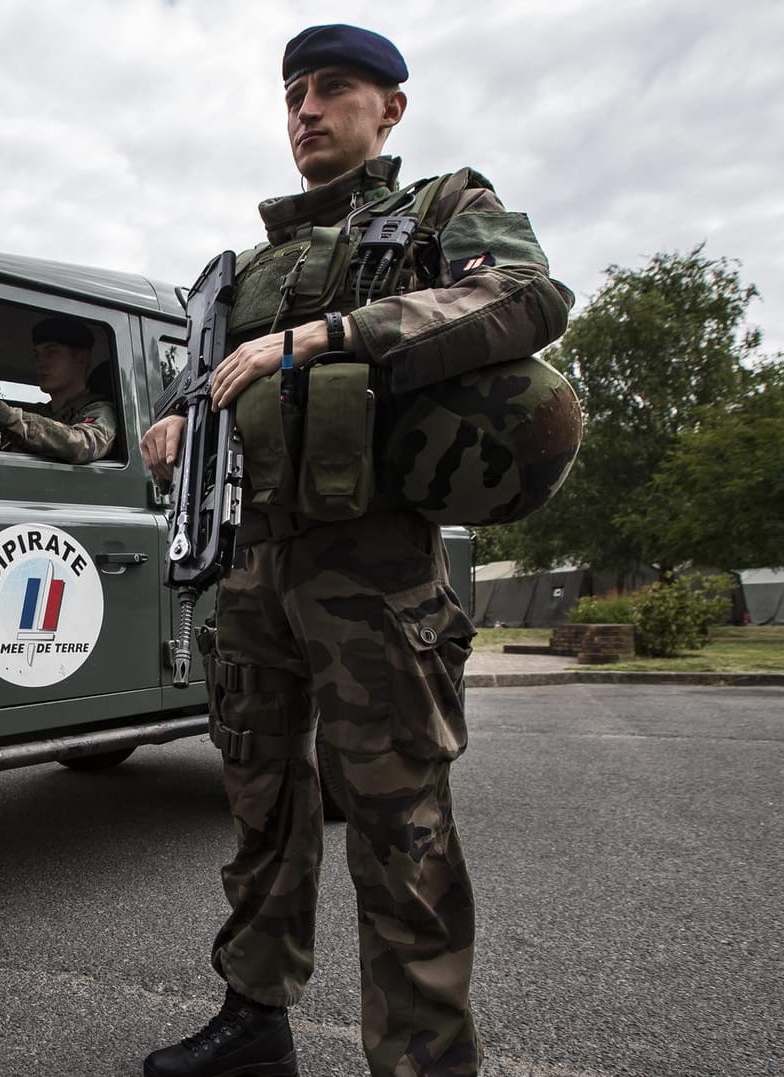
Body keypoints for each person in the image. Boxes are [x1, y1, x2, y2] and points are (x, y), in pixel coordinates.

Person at [139, 24, 573, 1077]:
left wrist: (330, 335)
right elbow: (200, 393)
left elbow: (525, 297)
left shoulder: (438, 209)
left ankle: (423, 1062)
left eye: (334, 88)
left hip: (375, 568)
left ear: (390, 109)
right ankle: (254, 1020)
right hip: (252, 565)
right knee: (259, 808)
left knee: (399, 830)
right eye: (292, 93)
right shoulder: (238, 272)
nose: (306, 109)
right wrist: (173, 424)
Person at [0, 316, 117, 463]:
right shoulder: (40, 413)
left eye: (51, 352)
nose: (41, 362)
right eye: (37, 355)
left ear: (81, 359)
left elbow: (82, 445)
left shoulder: (101, 411)